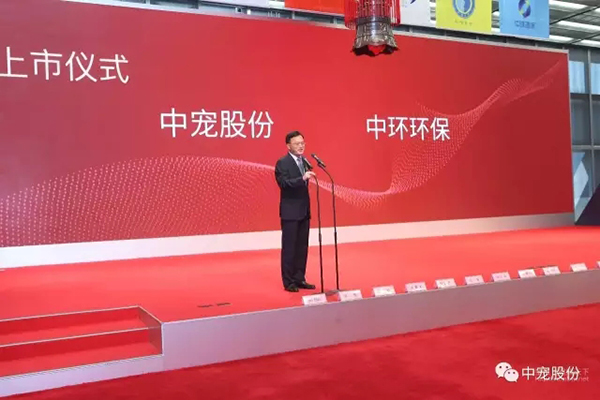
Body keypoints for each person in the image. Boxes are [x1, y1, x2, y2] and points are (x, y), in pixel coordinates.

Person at [274, 131, 317, 292]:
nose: (301, 146)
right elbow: (284, 183)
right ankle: (289, 281)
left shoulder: (304, 161)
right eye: (297, 143)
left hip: (304, 211)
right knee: (290, 248)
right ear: (288, 146)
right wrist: (302, 178)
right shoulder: (282, 163)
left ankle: (300, 278)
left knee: (301, 247)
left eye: (302, 143)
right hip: (290, 212)